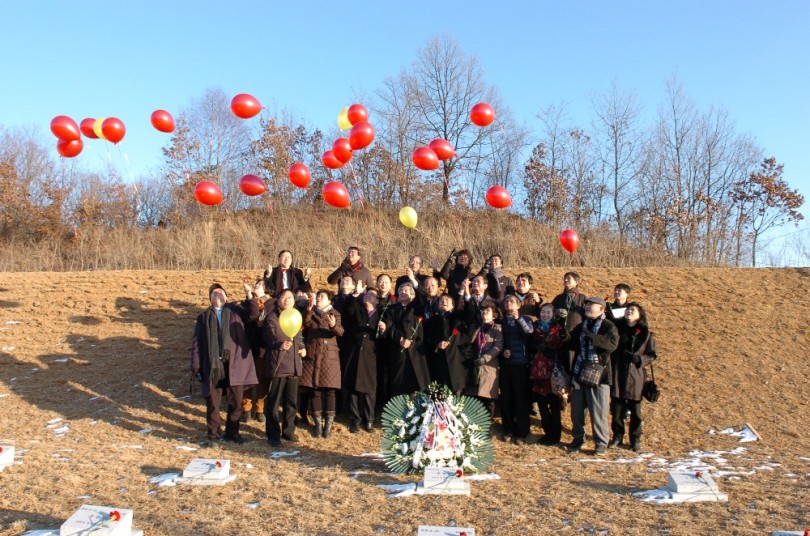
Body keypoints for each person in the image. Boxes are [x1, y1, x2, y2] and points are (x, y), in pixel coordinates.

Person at [191, 284, 258, 446]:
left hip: (234, 363)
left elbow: (253, 314)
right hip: (213, 365)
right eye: (214, 293)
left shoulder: (236, 311)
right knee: (213, 403)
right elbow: (197, 343)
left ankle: (232, 433)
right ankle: (213, 435)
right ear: (210, 299)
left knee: (236, 401)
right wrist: (196, 367)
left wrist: (250, 296)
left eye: (221, 292)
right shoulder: (203, 317)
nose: (217, 295)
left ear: (226, 297)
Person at [560, 296, 619, 455]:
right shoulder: (582, 326)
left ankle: (600, 443)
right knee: (577, 411)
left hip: (599, 375)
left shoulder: (608, 326)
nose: (587, 307)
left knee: (598, 411)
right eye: (586, 305)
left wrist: (590, 336)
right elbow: (572, 344)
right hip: (580, 372)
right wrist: (565, 336)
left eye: (591, 305)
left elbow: (611, 344)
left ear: (601, 309)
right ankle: (578, 438)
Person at [609, 303, 657, 452]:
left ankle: (635, 440)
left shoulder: (646, 334)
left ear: (640, 315)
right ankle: (617, 436)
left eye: (632, 310)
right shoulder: (616, 329)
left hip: (635, 375)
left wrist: (639, 360)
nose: (629, 311)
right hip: (617, 371)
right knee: (617, 409)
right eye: (628, 309)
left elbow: (652, 354)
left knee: (635, 411)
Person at [263, 289, 308, 447]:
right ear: (278, 300)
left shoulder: (296, 316)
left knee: (291, 402)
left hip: (294, 365)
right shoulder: (272, 318)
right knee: (274, 402)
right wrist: (279, 344)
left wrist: (302, 347)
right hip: (279, 365)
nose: (287, 300)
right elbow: (268, 339)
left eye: (290, 297)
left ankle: (289, 432)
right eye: (284, 297)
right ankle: (273, 434)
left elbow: (299, 337)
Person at [301, 290, 344, 438]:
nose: (319, 299)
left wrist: (333, 326)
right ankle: (318, 423)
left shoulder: (335, 313)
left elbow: (340, 332)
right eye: (318, 296)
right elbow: (305, 324)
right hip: (312, 353)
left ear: (329, 301)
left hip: (329, 355)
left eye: (322, 297)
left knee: (330, 390)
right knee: (315, 389)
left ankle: (329, 424)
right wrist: (308, 310)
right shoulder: (310, 312)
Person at [378, 282, 430, 397]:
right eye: (401, 290)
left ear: (412, 295)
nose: (402, 292)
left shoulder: (416, 308)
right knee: (399, 380)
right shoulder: (391, 309)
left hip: (416, 349)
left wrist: (414, 281)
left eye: (406, 291)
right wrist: (400, 339)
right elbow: (389, 326)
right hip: (398, 348)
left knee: (417, 380)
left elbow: (422, 297)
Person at [343, 288, 383, 432]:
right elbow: (348, 309)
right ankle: (355, 419)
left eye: (372, 295)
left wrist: (383, 329)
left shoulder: (381, 314)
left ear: (377, 301)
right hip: (354, 352)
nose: (368, 297)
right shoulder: (357, 310)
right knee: (352, 386)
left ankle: (369, 419)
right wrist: (355, 294)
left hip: (371, 355)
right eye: (366, 294)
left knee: (369, 388)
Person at [499, 294, 535, 445]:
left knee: (521, 399)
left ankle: (522, 431)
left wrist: (518, 318)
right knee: (506, 398)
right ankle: (508, 429)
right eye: (507, 301)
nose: (509, 304)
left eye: (512, 301)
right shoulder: (500, 321)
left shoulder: (525, 319)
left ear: (519, 305)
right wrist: (503, 352)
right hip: (505, 364)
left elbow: (529, 333)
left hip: (520, 364)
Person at [529, 304, 563, 446]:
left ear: (553, 314)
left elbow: (562, 345)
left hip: (552, 370)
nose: (545, 315)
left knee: (554, 405)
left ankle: (555, 435)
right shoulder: (534, 328)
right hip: (537, 370)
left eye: (548, 312)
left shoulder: (558, 329)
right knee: (542, 404)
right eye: (543, 312)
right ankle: (547, 433)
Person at [424, 293, 469, 395]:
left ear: (453, 306)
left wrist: (465, 293)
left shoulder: (458, 317)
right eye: (441, 300)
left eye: (447, 300)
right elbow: (427, 339)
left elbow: (470, 311)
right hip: (439, 362)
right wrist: (437, 344)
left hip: (457, 361)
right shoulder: (432, 321)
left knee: (456, 397)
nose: (443, 301)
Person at [463, 304, 503, 420]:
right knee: (473, 396)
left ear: (494, 315)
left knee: (488, 397)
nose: (484, 312)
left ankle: (486, 425)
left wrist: (485, 358)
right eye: (483, 310)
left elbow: (498, 346)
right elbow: (469, 340)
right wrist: (478, 328)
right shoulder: (475, 326)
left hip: (489, 365)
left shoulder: (497, 328)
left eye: (488, 310)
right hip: (474, 364)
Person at [240, 279, 269, 423]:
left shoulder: (271, 304)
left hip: (263, 346)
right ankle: (246, 407)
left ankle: (260, 408)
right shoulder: (246, 302)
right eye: (255, 284)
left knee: (261, 379)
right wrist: (250, 298)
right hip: (247, 345)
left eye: (259, 285)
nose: (256, 286)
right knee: (247, 378)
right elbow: (250, 316)